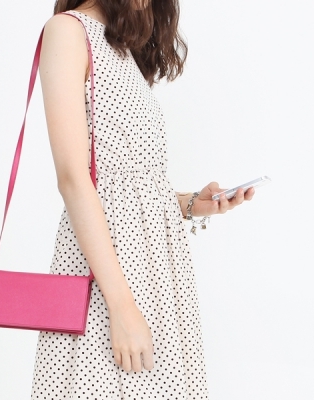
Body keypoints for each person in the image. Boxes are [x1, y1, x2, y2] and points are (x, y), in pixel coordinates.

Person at [30, 0, 255, 399]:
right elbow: (74, 180)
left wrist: (191, 203)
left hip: (155, 273)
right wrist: (121, 306)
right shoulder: (67, 31)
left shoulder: (120, 48)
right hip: (109, 279)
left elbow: (127, 183)